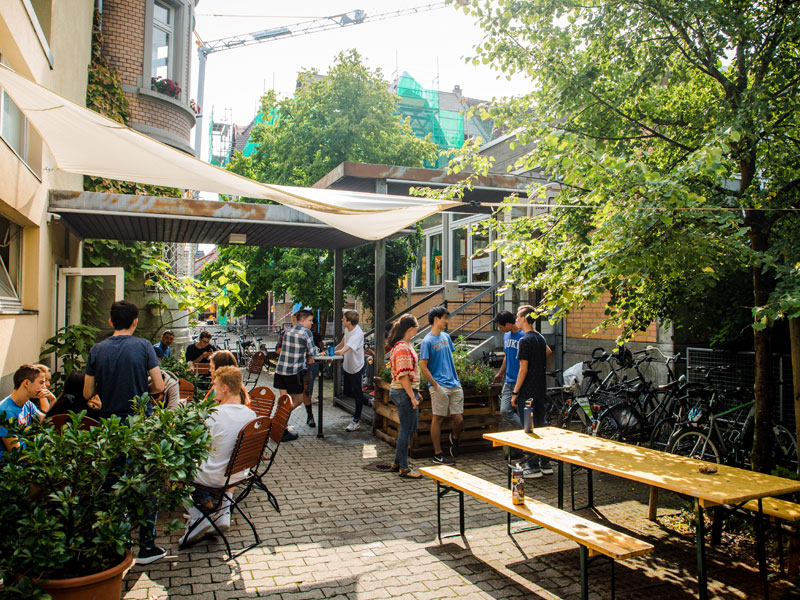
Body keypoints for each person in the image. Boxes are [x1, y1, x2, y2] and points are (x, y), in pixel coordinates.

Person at [83, 299, 166, 565]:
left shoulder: (97, 350)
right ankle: (147, 546)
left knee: (112, 481)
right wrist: (144, 391)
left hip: (110, 423)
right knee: (145, 480)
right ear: (135, 321)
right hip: (139, 421)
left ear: (110, 322)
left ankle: (116, 543)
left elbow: (87, 393)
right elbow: (159, 384)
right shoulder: (143, 346)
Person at [180, 366, 257, 545]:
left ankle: (198, 517)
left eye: (214, 384)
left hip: (213, 476)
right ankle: (224, 511)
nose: (212, 388)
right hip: (238, 475)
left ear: (224, 388)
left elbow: (196, 444)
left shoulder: (213, 414)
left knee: (171, 468)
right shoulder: (251, 415)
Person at [511, 304, 554, 478]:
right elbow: (548, 352)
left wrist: (515, 392)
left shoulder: (524, 340)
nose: (516, 320)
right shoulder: (540, 338)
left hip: (527, 389)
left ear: (524, 318)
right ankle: (545, 463)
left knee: (528, 427)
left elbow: (523, 369)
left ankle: (532, 466)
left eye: (518, 317)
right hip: (540, 387)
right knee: (540, 424)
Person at [419, 306, 463, 465]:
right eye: (444, 317)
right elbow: (423, 366)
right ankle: (437, 454)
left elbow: (449, 358)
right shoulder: (427, 341)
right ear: (436, 319)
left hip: (454, 383)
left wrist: (455, 378)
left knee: (458, 419)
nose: (446, 321)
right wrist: (435, 385)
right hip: (439, 386)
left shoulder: (446, 337)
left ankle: (455, 439)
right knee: (437, 418)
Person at [387, 314, 422, 478]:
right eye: (417, 327)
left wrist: (416, 393)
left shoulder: (406, 345)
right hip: (403, 391)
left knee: (409, 428)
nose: (418, 329)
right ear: (410, 328)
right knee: (406, 429)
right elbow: (403, 375)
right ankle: (405, 468)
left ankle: (397, 463)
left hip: (406, 391)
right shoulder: (402, 347)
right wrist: (412, 396)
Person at [273, 309, 318, 431]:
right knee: (298, 399)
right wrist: (313, 355)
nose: (311, 323)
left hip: (280, 370)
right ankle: (279, 419)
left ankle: (282, 427)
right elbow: (313, 352)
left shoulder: (287, 331)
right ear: (302, 321)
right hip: (293, 372)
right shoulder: (306, 332)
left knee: (284, 400)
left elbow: (292, 350)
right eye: (309, 320)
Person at [0, 364, 50, 459]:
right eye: (41, 383)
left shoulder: (27, 404)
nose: (44, 387)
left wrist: (52, 400)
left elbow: (47, 421)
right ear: (26, 383)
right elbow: (16, 453)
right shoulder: (5, 411)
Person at [492, 311, 525, 429]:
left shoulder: (524, 335)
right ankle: (526, 429)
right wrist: (500, 373)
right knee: (505, 410)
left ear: (508, 324)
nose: (500, 329)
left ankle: (527, 433)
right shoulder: (506, 336)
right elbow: (507, 356)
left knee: (522, 411)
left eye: (501, 327)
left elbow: (545, 351)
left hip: (521, 380)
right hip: (509, 379)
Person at [336, 310, 367, 432]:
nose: (342, 320)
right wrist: (331, 350)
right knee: (349, 392)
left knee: (357, 394)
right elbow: (342, 343)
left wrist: (331, 353)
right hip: (347, 366)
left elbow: (344, 350)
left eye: (343, 319)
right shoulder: (348, 329)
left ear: (349, 321)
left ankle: (356, 421)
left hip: (356, 367)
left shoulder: (357, 334)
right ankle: (368, 402)